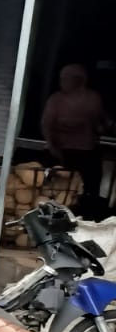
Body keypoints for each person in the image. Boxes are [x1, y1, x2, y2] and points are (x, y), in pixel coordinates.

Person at [43, 63, 109, 220]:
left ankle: (84, 219)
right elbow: (46, 125)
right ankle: (55, 218)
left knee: (85, 189)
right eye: (61, 78)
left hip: (86, 152)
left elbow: (100, 124)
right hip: (61, 152)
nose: (62, 82)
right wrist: (52, 146)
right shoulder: (56, 100)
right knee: (58, 188)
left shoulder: (92, 98)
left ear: (78, 80)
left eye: (65, 79)